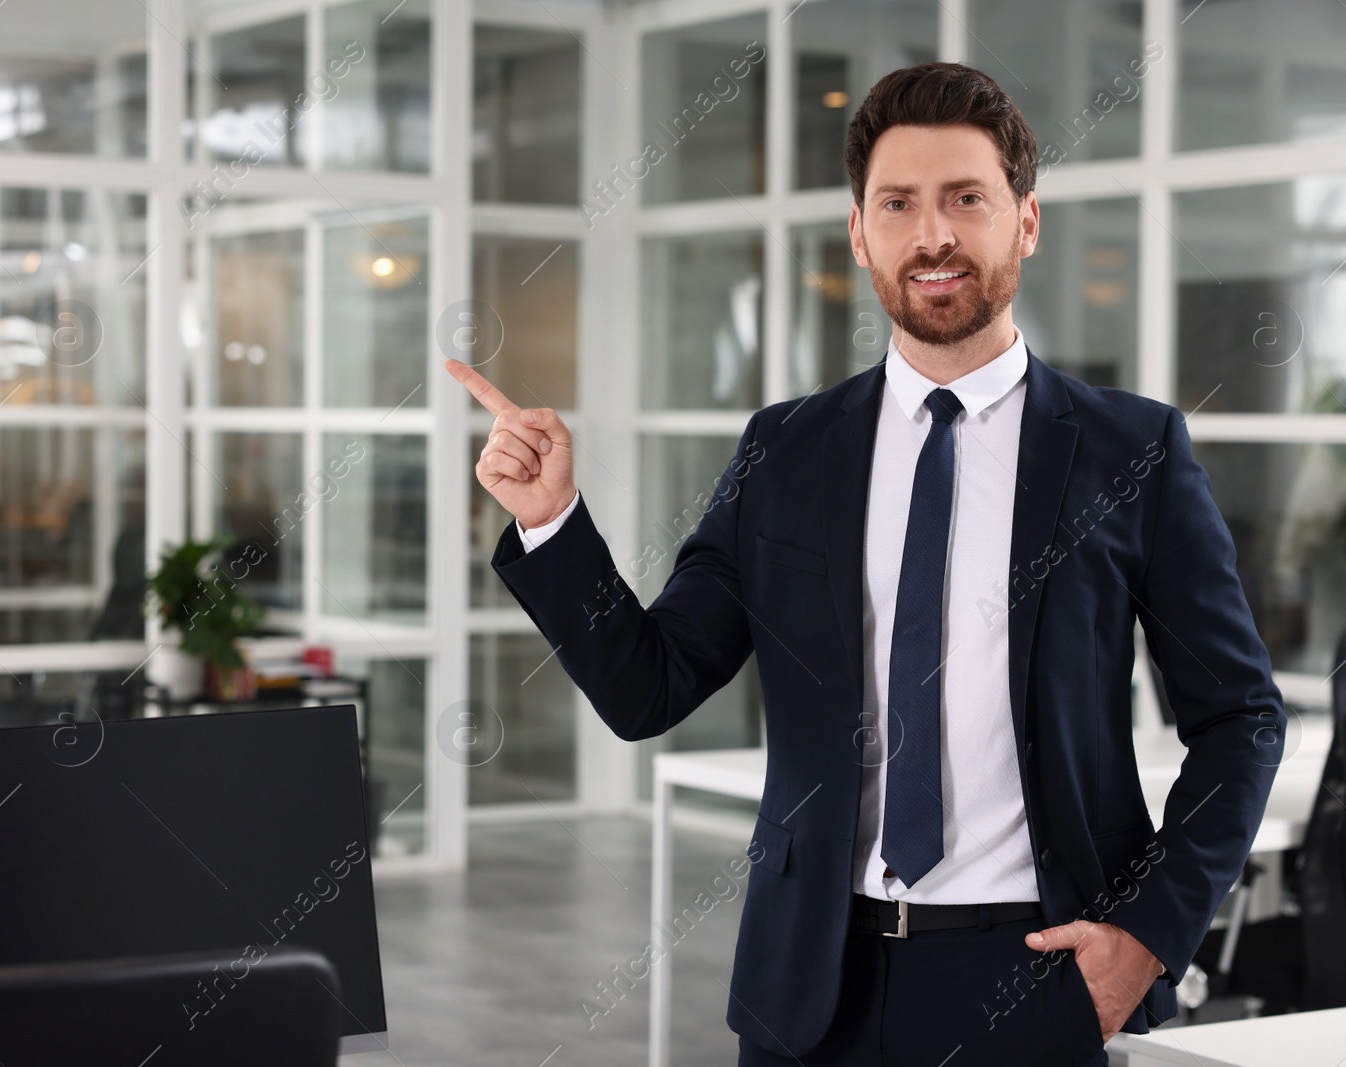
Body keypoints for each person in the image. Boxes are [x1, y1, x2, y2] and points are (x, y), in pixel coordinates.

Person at [446, 61, 1284, 1067]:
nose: (931, 233)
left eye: (964, 198)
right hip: (812, 989)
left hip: (1034, 976)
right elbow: (648, 685)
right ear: (859, 232)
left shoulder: (1130, 452)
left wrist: (1148, 938)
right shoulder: (786, 450)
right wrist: (552, 521)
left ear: (1024, 219)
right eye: (898, 204)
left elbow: (1238, 718)